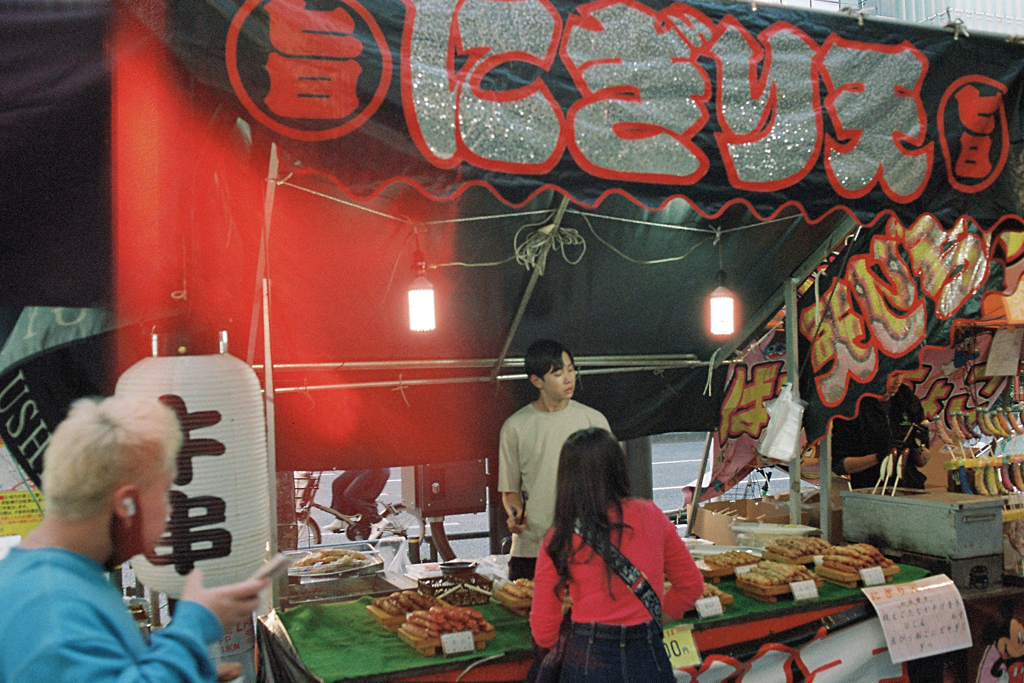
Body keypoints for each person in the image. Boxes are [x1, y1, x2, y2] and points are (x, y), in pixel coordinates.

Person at [0, 395, 270, 683]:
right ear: (126, 504)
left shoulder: (54, 580)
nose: (170, 508)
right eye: (166, 490)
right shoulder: (51, 605)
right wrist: (193, 626)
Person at [530, 428, 704, 683]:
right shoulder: (652, 515)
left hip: (588, 659)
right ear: (619, 468)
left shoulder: (561, 535)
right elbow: (691, 586)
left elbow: (544, 630)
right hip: (648, 657)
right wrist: (654, 618)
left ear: (567, 478)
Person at [499, 339, 610, 581]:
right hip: (531, 550)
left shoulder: (594, 421)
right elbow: (510, 492)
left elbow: (611, 486)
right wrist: (515, 516)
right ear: (537, 381)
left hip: (585, 548)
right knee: (531, 616)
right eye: (558, 373)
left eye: (571, 370)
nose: (569, 379)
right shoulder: (515, 427)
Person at [831, 371, 939, 490]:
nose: (898, 380)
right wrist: (879, 457)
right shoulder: (853, 405)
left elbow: (922, 462)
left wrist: (919, 445)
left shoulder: (907, 399)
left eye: (901, 374)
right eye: (892, 375)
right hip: (869, 489)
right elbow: (840, 465)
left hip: (910, 487)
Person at [324, 468, 389, 534]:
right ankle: (342, 518)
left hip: (376, 468)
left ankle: (377, 520)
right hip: (363, 466)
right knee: (338, 484)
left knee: (351, 495)